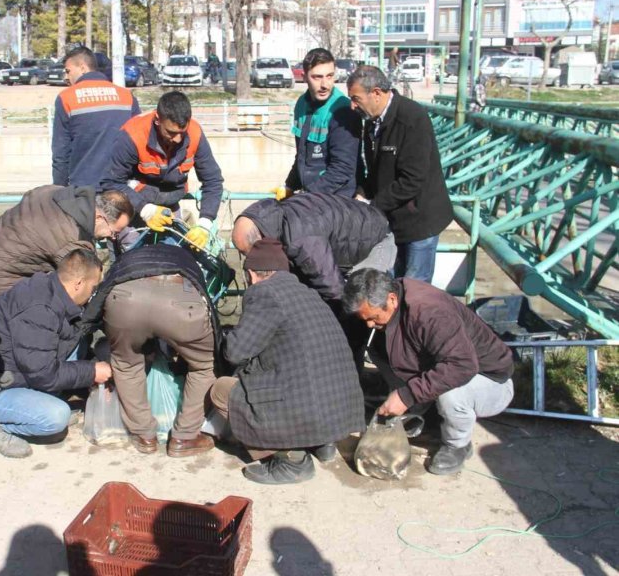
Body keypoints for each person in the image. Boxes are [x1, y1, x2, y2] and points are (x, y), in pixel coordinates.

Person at [212, 239, 364, 484]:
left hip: (306, 407)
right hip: (339, 410)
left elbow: (236, 352)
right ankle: (320, 443)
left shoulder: (265, 293)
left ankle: (291, 460)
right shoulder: (307, 292)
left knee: (221, 390)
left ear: (251, 273)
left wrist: (226, 336)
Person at [343, 269, 514, 475]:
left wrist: (407, 396)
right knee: (380, 349)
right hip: (453, 366)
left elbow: (462, 366)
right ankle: (431, 414)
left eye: (374, 317)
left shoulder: (430, 311)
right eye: (366, 319)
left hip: (490, 381)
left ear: (392, 299)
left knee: (451, 393)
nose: (370, 324)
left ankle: (457, 445)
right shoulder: (391, 298)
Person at [83, 244, 217, 457]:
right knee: (204, 366)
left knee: (126, 364)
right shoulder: (185, 256)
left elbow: (102, 296)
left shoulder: (129, 257)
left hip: (126, 301)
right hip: (182, 306)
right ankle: (185, 437)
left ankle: (144, 435)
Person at [0, 249, 110, 458]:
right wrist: (91, 372)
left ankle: (39, 403)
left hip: (22, 369)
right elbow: (43, 374)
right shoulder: (39, 309)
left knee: (77, 347)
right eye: (93, 287)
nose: (93, 293)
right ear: (78, 283)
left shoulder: (53, 289)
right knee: (55, 417)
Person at [347, 65, 453, 283]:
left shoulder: (412, 118)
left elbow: (412, 179)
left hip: (420, 220)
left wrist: (373, 205)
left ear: (376, 93)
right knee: (393, 284)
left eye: (356, 98)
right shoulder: (372, 122)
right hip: (394, 219)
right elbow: (377, 170)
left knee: (415, 286)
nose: (352, 105)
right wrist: (362, 192)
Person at [102, 91, 224, 250]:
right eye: (171, 133)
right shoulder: (133, 135)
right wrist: (146, 210)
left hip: (170, 208)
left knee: (174, 257)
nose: (178, 139)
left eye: (182, 132)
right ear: (157, 120)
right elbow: (111, 182)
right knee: (132, 258)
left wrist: (205, 223)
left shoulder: (195, 133)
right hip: (132, 208)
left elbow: (213, 181)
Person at [231, 193, 394, 304]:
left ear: (261, 241)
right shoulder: (273, 217)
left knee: (360, 301)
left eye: (250, 254)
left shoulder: (302, 239)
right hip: (348, 231)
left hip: (373, 239)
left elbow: (333, 289)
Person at [0, 185, 133, 299]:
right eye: (114, 232)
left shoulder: (56, 192)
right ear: (99, 218)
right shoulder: (72, 239)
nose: (112, 238)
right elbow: (81, 289)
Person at [274, 48, 362, 200]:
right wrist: (289, 186)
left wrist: (307, 197)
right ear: (304, 77)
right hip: (313, 196)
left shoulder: (343, 110)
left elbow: (342, 169)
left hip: (338, 198)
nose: (325, 85)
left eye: (329, 76)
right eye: (317, 77)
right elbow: (302, 156)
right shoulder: (301, 104)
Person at [52, 46, 140, 187]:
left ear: (82, 68)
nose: (66, 77)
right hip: (121, 188)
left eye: (68, 71)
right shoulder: (126, 96)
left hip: (84, 189)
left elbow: (61, 153)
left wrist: (59, 190)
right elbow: (138, 142)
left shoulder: (66, 98)